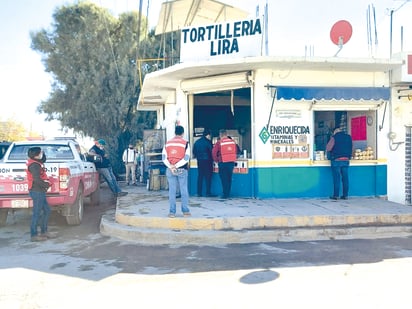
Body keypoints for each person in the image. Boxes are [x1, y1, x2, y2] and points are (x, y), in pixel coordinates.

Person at [162, 125, 191, 218]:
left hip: (170, 170)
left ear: (175, 133)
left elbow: (163, 158)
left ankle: (172, 212)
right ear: (183, 133)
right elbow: (186, 158)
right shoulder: (185, 143)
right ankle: (185, 211)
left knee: (172, 191)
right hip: (182, 169)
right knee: (183, 190)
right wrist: (177, 165)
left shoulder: (167, 143)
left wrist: (171, 166)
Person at [26, 147, 53, 242]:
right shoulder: (34, 165)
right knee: (37, 213)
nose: (42, 154)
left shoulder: (36, 162)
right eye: (41, 153)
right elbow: (36, 179)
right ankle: (34, 235)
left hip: (39, 191)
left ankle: (43, 231)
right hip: (37, 191)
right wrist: (47, 184)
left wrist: (43, 153)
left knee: (47, 211)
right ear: (36, 155)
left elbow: (43, 159)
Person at [326, 126, 353, 200]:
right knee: (345, 178)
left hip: (336, 160)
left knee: (337, 178)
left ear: (335, 132)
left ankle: (336, 196)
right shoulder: (348, 137)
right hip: (346, 160)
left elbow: (328, 148)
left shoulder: (334, 137)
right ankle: (345, 195)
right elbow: (351, 147)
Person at [212, 129, 238, 199]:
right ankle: (228, 193)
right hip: (231, 163)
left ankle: (225, 194)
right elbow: (236, 151)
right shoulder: (233, 142)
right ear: (226, 134)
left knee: (224, 179)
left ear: (220, 135)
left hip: (223, 162)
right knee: (229, 178)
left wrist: (216, 160)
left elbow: (214, 153)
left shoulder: (219, 143)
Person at [193, 128, 214, 197]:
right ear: (208, 135)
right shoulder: (208, 142)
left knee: (200, 177)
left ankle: (199, 193)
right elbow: (212, 152)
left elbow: (194, 152)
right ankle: (208, 193)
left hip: (200, 161)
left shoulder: (197, 142)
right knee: (208, 177)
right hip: (208, 162)